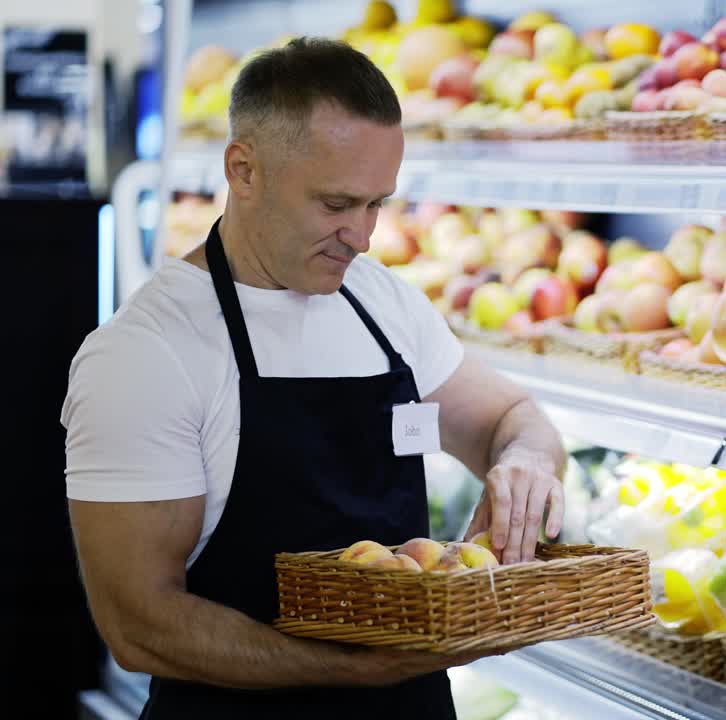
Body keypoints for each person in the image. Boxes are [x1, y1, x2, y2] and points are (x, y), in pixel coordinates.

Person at [61, 37, 566, 719]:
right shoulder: (146, 353)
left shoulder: (383, 303)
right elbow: (141, 626)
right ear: (244, 170)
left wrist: (529, 462)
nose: (362, 236)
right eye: (336, 203)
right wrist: (354, 671)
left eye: (377, 204)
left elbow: (510, 420)